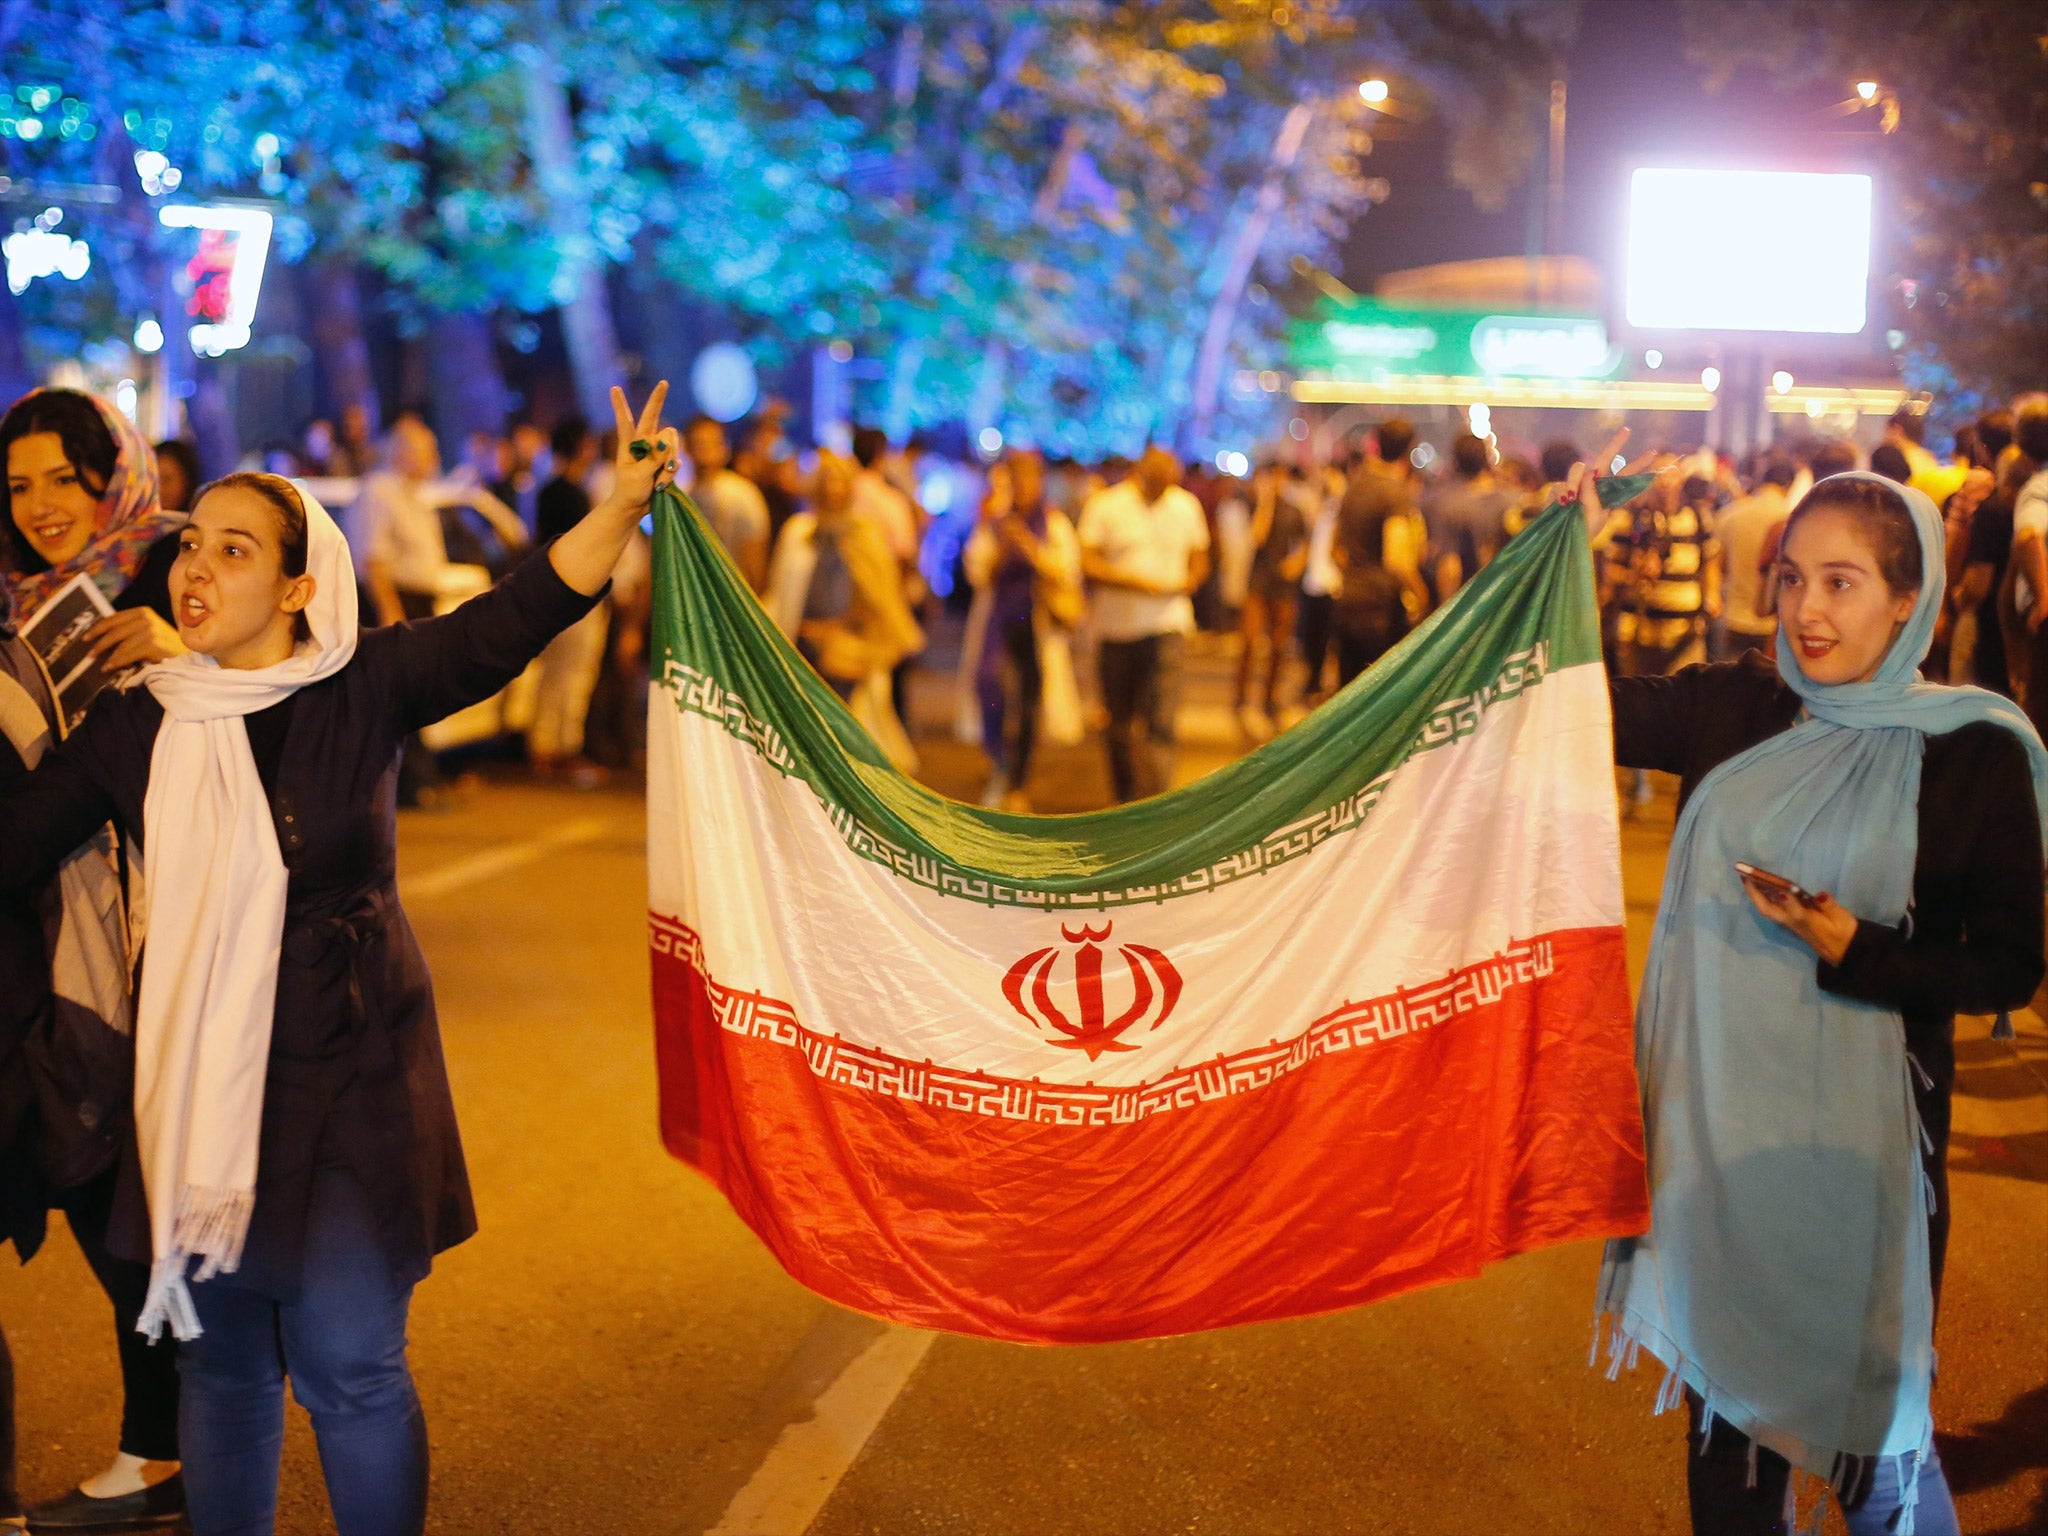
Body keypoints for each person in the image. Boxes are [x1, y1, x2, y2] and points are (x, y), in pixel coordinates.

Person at [0, 383, 681, 1536]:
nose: (194, 570)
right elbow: (14, 842)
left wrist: (620, 502)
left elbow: (516, 616)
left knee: (348, 1365)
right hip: (202, 1084)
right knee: (220, 1373)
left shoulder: (361, 683)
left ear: (299, 584)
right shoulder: (144, 718)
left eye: (234, 548)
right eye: (190, 549)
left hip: (352, 1076)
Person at [1589, 439, 2044, 1536]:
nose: (1804, 610)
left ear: (1907, 599)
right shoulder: (1734, 704)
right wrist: (1565, 545)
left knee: (1871, 1441)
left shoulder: (1971, 749)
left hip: (1862, 1157)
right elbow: (1555, 705)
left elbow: (2007, 965)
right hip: (1714, 1138)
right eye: (1791, 578)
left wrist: (1855, 948)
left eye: (1840, 583)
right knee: (1726, 1452)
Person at [2, 389, 191, 1531]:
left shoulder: (176, 570)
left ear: (107, 472)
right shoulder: (16, 606)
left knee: (115, 1204)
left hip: (151, 930)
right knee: (80, 1182)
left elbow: (287, 698)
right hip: (39, 935)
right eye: (18, 488)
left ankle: (165, 1454)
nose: (40, 509)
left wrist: (178, 651)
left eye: (62, 481)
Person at [765, 452, 924, 771]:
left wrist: (847, 630)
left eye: (839, 480)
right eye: (827, 480)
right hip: (802, 647)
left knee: (849, 738)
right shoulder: (800, 532)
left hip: (850, 651)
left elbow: (880, 597)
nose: (833, 489)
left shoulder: (865, 534)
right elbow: (781, 591)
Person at [1077, 445, 1209, 803]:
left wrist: (1190, 580)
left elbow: (1200, 557)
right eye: (1156, 485)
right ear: (1140, 474)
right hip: (1117, 629)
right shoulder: (1106, 506)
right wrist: (1132, 583)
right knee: (1118, 724)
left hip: (1168, 625)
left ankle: (1156, 803)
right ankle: (1126, 799)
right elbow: (1087, 562)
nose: (1162, 492)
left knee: (1162, 719)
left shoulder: (1185, 506)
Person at [963, 450, 1081, 811]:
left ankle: (1019, 780)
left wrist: (1030, 549)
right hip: (999, 622)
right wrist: (1002, 547)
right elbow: (978, 573)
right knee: (991, 684)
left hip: (1035, 623)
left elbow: (1065, 570)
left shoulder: (1053, 523)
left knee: (1030, 699)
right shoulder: (994, 524)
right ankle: (999, 758)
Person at [528, 417, 610, 786]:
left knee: (553, 674)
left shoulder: (547, 491)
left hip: (550, 594)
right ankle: (564, 748)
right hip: (578, 596)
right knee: (574, 675)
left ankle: (544, 747)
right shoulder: (572, 493)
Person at [1331, 420, 1425, 688]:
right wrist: (1421, 595)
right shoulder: (1396, 493)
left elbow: (1335, 550)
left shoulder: (1354, 487)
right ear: (1409, 450)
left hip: (1348, 599)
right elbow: (1395, 560)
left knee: (1348, 695)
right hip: (1380, 608)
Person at [1232, 462, 1309, 736]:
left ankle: (1269, 699)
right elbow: (1256, 538)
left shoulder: (1294, 510)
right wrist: (1265, 503)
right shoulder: (1255, 507)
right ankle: (1241, 699)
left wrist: (1296, 563)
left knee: (1280, 644)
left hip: (1283, 588)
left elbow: (1304, 544)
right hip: (1258, 585)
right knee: (1250, 642)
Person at [1707, 452, 1793, 661]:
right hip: (1773, 626)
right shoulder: (1793, 519)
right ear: (1789, 485)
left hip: (1733, 617)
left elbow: (1717, 564)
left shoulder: (1730, 514)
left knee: (1731, 686)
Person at [680, 416, 770, 592]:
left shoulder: (744, 494)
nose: (706, 450)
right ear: (688, 448)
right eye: (699, 443)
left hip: (733, 596)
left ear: (724, 447)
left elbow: (755, 562)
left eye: (713, 442)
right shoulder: (682, 496)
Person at [1421, 432, 1514, 601]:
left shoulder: (1447, 505)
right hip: (1506, 596)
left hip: (1468, 600)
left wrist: (1446, 615)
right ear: (1485, 459)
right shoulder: (1511, 500)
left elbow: (1449, 566)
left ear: (1455, 462)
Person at [153, 439, 201, 515]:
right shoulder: (139, 524)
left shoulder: (199, 521)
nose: (160, 487)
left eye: (167, 479)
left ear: (187, 481)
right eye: (155, 480)